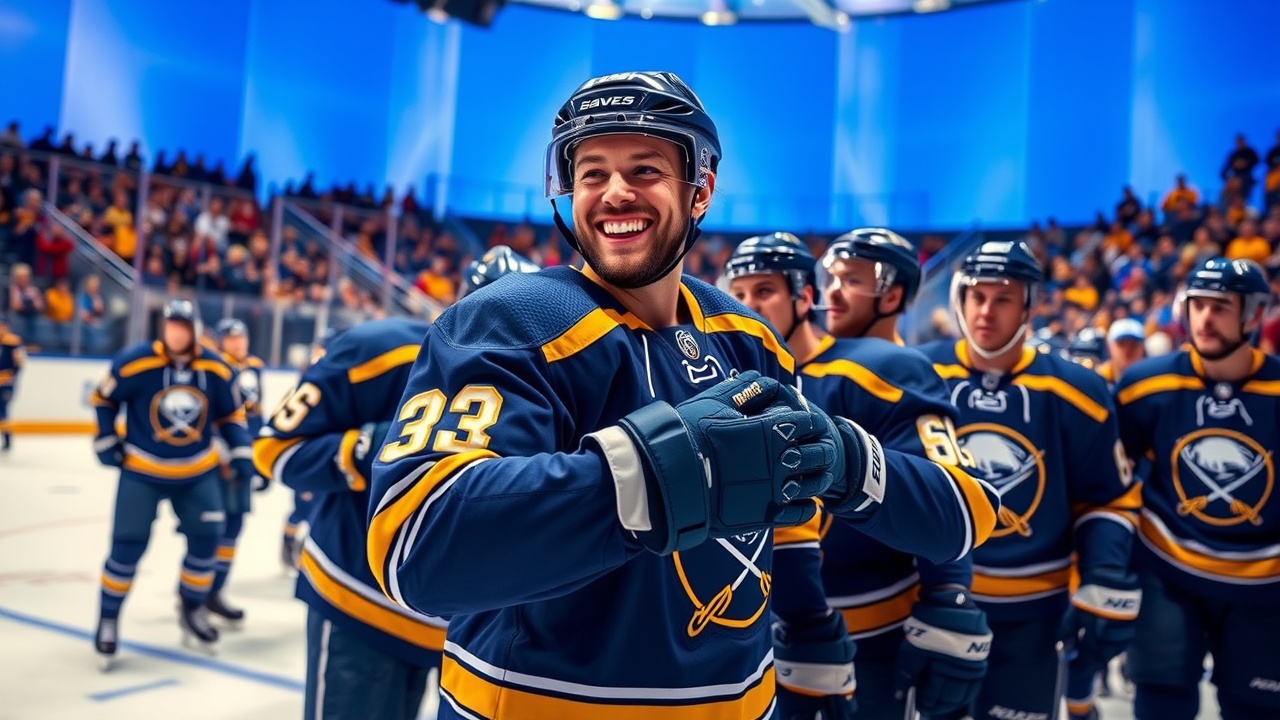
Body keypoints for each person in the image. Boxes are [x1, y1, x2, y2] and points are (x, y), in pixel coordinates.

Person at [366, 70, 997, 720]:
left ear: (701, 190)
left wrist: (842, 473)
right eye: (592, 173)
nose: (615, 192)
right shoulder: (510, 319)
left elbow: (953, 517)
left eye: (644, 170)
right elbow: (415, 544)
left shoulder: (749, 337)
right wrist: (654, 474)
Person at [254, 245, 539, 720]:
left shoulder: (545, 383)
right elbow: (273, 449)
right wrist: (368, 450)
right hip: (359, 609)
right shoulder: (377, 350)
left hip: (460, 635)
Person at [722, 230, 994, 720]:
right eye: (738, 292)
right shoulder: (725, 385)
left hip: (876, 630)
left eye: (763, 291)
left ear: (804, 296)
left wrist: (949, 595)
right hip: (759, 632)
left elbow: (945, 491)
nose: (748, 306)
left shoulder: (884, 367)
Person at [919, 241, 1142, 720]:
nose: (985, 311)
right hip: (934, 601)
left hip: (1037, 611)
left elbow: (1109, 499)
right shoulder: (917, 375)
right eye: (977, 296)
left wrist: (1102, 574)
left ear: (1029, 304)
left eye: (1002, 298)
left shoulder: (1078, 391)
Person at [1114, 257, 1280, 720]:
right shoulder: (1143, 386)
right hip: (1167, 569)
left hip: (1266, 582)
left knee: (1257, 709)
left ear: (1254, 314)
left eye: (1220, 307)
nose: (1204, 319)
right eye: (1198, 305)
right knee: (1161, 702)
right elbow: (1113, 484)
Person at [87, 299, 253, 669]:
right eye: (171, 325)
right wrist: (106, 437)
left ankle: (192, 608)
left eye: (184, 325)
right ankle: (108, 619)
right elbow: (103, 398)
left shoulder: (216, 367)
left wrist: (242, 451)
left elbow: (231, 414)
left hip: (198, 472)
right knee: (126, 547)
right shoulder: (134, 361)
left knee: (207, 542)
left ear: (196, 329)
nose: (177, 332)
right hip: (142, 471)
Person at [201, 318, 267, 624]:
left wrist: (260, 458)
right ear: (220, 341)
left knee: (235, 524)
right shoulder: (214, 367)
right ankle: (194, 592)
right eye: (231, 338)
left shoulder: (254, 367)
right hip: (220, 457)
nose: (238, 342)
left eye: (242, 336)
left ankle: (215, 592)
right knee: (211, 526)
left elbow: (257, 414)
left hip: (244, 454)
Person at [0, 314, 24, 452]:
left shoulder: (12, 342)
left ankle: (7, 440)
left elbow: (20, 362)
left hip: (6, 383)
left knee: (2, 410)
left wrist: (10, 376)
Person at [1098, 318, 1146, 387]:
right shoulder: (1098, 379)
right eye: (1121, 344)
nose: (1127, 351)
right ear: (1109, 346)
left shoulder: (1151, 379)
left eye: (1134, 345)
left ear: (1143, 348)